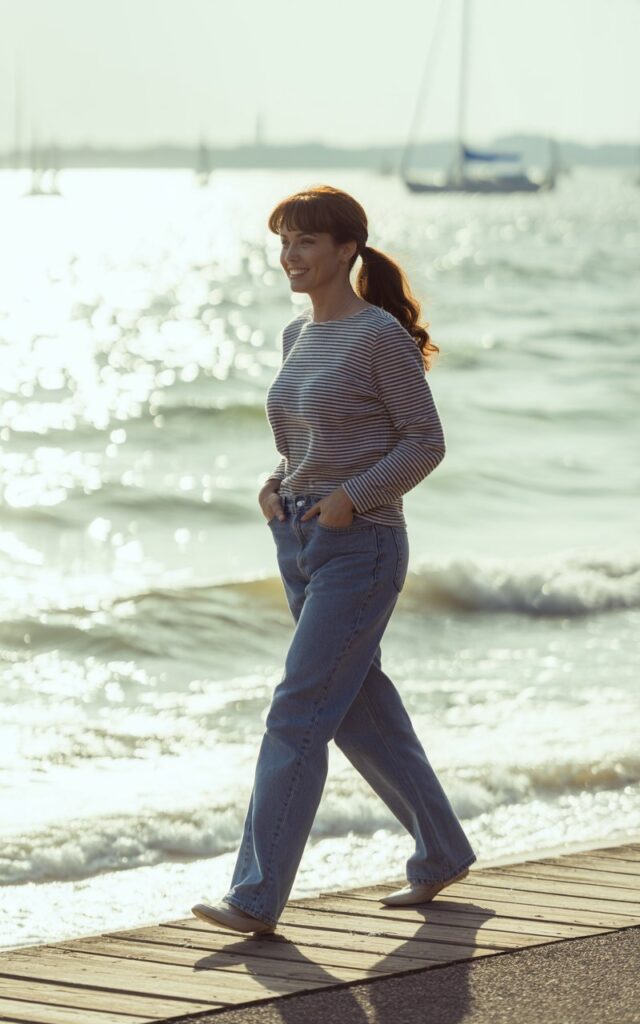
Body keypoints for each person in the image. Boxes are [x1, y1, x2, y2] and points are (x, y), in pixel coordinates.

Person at [192, 184, 477, 935]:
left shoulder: (379, 335)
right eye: (284, 242)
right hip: (301, 542)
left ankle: (254, 899)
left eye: (306, 241)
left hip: (362, 546)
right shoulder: (298, 335)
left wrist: (352, 497)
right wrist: (275, 481)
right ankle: (442, 851)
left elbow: (425, 442)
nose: (290, 256)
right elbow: (309, 438)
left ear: (347, 248)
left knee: (296, 713)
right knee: (357, 711)